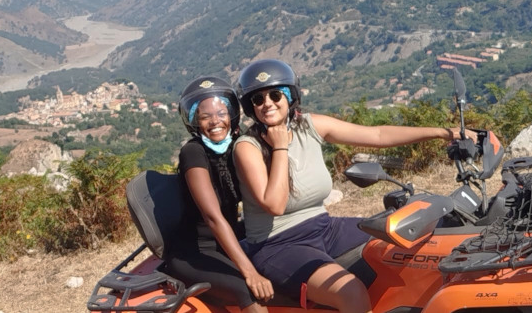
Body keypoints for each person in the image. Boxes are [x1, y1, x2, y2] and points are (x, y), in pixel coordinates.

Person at [232, 59, 475, 313]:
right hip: (277, 244)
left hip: (324, 227)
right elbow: (274, 204)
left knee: (407, 242)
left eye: (275, 94)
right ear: (251, 107)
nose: (267, 103)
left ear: (290, 96)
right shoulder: (248, 147)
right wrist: (280, 145)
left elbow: (376, 135)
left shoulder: (309, 126)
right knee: (351, 291)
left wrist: (444, 132)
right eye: (258, 99)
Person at [165, 76, 273, 313]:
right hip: (194, 251)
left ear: (231, 115)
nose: (215, 121)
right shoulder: (193, 152)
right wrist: (250, 273)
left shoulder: (238, 143)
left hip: (228, 239)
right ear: (195, 121)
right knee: (248, 289)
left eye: (221, 113)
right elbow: (212, 216)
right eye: (205, 116)